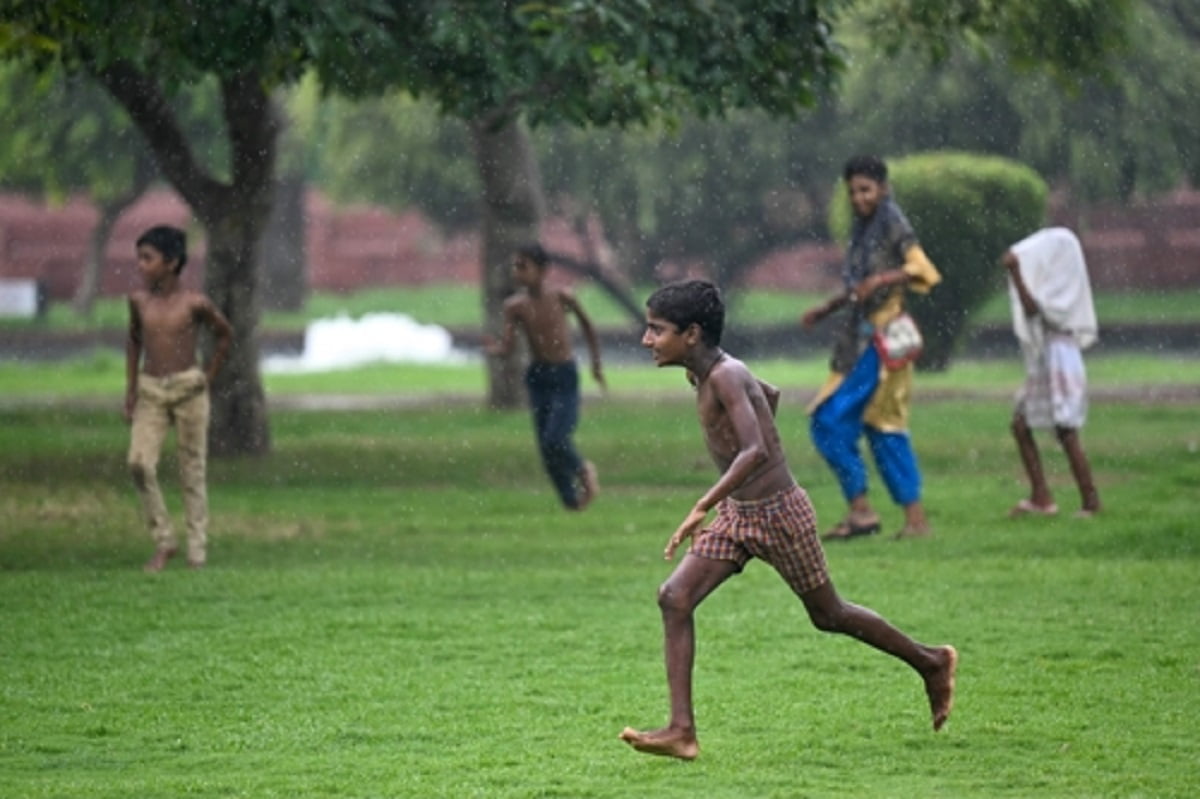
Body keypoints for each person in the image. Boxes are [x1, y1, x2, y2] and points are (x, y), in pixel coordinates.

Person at [620, 279, 957, 761]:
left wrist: (705, 502)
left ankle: (931, 662)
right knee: (674, 597)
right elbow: (769, 395)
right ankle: (681, 731)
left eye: (657, 330)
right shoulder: (704, 372)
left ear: (691, 334)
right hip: (740, 514)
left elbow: (756, 448)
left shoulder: (726, 375)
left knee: (829, 615)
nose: (647, 340)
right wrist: (735, 486)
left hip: (779, 514)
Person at [801, 155, 941, 540]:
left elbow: (922, 270)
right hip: (859, 341)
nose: (859, 198)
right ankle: (867, 512)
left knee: (860, 423)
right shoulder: (865, 228)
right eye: (853, 192)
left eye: (866, 190)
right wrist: (825, 309)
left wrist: (882, 279)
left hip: (883, 342)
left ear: (883, 188)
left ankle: (909, 520)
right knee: (856, 425)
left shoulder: (893, 221)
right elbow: (855, 288)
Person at [124, 225, 233, 572]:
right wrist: (130, 390)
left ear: (171, 263)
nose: (140, 265)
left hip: (189, 389)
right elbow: (134, 341)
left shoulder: (194, 303)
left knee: (192, 470)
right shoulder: (138, 302)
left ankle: (197, 551)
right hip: (151, 390)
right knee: (139, 463)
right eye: (139, 258)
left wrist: (207, 376)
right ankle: (165, 540)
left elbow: (224, 334)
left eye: (148, 258)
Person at [485, 243, 603, 510]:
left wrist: (596, 363)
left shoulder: (562, 297)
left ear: (542, 270)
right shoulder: (514, 306)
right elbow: (509, 345)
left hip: (564, 374)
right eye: (515, 266)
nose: (517, 272)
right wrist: (496, 350)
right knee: (545, 447)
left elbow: (587, 326)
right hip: (538, 377)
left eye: (523, 266)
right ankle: (570, 500)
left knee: (556, 437)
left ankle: (583, 470)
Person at [1001, 227, 1101, 518]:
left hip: (1060, 358)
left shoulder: (1062, 289)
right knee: (1021, 424)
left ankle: (1090, 500)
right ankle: (1040, 496)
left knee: (1066, 430)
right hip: (1047, 356)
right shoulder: (1055, 285)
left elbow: (1033, 309)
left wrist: (1017, 272)